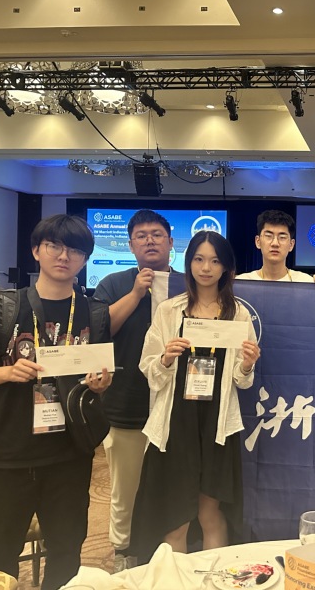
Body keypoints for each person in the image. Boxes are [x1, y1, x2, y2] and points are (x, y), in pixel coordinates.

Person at [0, 214, 112, 589]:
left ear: (85, 259)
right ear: (36, 251)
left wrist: (100, 384)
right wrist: (8, 372)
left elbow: (96, 376)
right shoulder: (0, 306)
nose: (64, 256)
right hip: (7, 453)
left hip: (69, 455)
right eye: (54, 246)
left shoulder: (94, 312)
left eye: (75, 250)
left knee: (66, 552)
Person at [131, 231, 260, 561]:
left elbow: (241, 381)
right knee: (177, 520)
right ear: (189, 264)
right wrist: (165, 359)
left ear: (226, 267)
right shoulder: (169, 311)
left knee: (210, 514)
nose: (206, 268)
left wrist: (247, 364)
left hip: (217, 424)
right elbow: (149, 370)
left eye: (215, 261)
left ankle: (214, 579)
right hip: (176, 423)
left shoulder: (238, 314)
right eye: (199, 259)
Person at [93, 209, 175, 571]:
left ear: (170, 242)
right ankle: (124, 552)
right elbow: (100, 331)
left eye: (156, 234)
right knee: (125, 488)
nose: (149, 241)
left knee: (172, 484)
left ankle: (169, 549)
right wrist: (136, 293)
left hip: (176, 404)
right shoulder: (113, 283)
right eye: (141, 236)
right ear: (130, 245)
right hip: (127, 402)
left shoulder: (188, 283)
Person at [236, 210, 315, 287]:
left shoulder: (306, 283)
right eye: (268, 236)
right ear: (258, 242)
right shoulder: (242, 283)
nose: (275, 243)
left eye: (282, 237)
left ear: (291, 245)